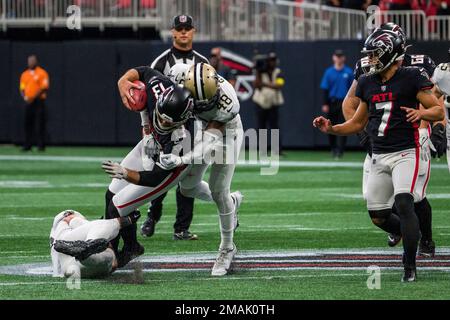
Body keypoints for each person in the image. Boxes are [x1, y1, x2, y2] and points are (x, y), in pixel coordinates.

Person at [313, 29, 444, 282]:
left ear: (391, 53)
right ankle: (412, 233)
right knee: (378, 215)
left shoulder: (411, 76)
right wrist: (332, 128)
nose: (371, 59)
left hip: (407, 150)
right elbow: (356, 122)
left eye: (375, 54)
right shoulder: (367, 82)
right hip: (379, 154)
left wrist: (422, 115)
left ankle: (409, 265)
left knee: (405, 202)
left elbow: (438, 111)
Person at [343, 22, 444, 257]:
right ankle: (403, 229)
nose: (373, 57)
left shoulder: (420, 65)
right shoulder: (367, 68)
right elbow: (349, 103)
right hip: (382, 138)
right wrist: (362, 134)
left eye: (379, 50)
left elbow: (434, 99)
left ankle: (424, 241)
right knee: (374, 201)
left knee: (414, 196)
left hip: (413, 135)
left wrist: (436, 127)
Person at [157, 63, 244, 276]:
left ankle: (227, 247)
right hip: (198, 127)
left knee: (218, 190)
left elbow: (208, 143)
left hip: (226, 134)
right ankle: (232, 203)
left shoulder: (227, 102)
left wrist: (180, 160)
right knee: (187, 188)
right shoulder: (178, 75)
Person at [107, 66, 196, 268]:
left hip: (169, 169)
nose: (162, 121)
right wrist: (123, 80)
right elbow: (144, 71)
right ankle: (119, 247)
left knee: (119, 205)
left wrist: (125, 173)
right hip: (150, 143)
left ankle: (116, 252)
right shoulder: (159, 87)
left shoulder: (181, 140)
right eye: (161, 115)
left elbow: (154, 177)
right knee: (110, 195)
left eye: (168, 121)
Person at [140, 14, 210, 240]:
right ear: (172, 31)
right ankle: (153, 215)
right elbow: (146, 97)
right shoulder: (160, 62)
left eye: (187, 28)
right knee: (160, 170)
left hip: (192, 125)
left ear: (193, 31)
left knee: (185, 172)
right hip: (164, 126)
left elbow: (209, 97)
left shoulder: (202, 63)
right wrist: (148, 131)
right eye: (179, 28)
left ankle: (181, 227)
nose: (183, 32)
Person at [50, 209, 140, 278]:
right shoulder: (68, 221)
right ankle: (87, 249)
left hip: (69, 269)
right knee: (101, 227)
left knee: (89, 257)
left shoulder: (58, 237)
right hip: (102, 266)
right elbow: (72, 219)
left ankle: (86, 251)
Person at [320, 49, 353, 159]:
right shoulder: (329, 72)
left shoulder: (348, 72)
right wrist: (325, 103)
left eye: (341, 56)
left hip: (344, 102)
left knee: (344, 124)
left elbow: (353, 89)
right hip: (332, 101)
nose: (339, 58)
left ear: (343, 58)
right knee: (330, 125)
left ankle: (341, 150)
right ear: (334, 57)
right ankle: (333, 148)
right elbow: (325, 88)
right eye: (337, 56)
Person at [252, 53, 285, 155]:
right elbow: (257, 85)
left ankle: (277, 150)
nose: (272, 62)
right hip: (261, 102)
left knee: (274, 127)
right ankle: (263, 150)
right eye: (270, 60)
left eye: (274, 60)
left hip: (273, 102)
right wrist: (258, 70)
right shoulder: (261, 72)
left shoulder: (278, 72)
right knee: (261, 127)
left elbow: (279, 85)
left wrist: (265, 84)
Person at [19, 54, 49, 151]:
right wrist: (25, 97)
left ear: (36, 62)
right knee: (27, 123)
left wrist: (32, 97)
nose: (30, 63)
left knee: (39, 124)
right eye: (29, 61)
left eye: (32, 61)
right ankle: (27, 145)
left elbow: (43, 87)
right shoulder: (24, 74)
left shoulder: (42, 73)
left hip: (39, 101)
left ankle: (41, 145)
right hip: (28, 102)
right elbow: (22, 88)